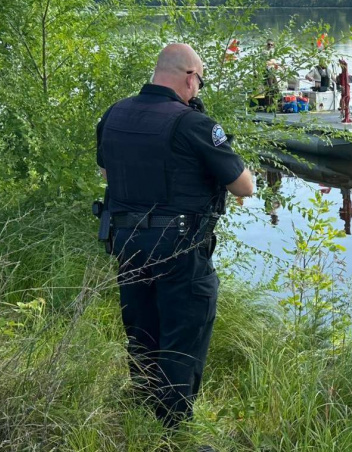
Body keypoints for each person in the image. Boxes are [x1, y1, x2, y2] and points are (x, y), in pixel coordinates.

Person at [96, 43, 254, 429]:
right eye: (199, 80)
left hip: (128, 244)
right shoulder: (194, 124)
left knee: (141, 331)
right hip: (180, 249)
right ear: (188, 76)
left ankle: (143, 412)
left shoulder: (114, 114)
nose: (198, 89)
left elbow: (107, 174)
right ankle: (173, 429)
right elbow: (244, 186)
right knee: (183, 338)